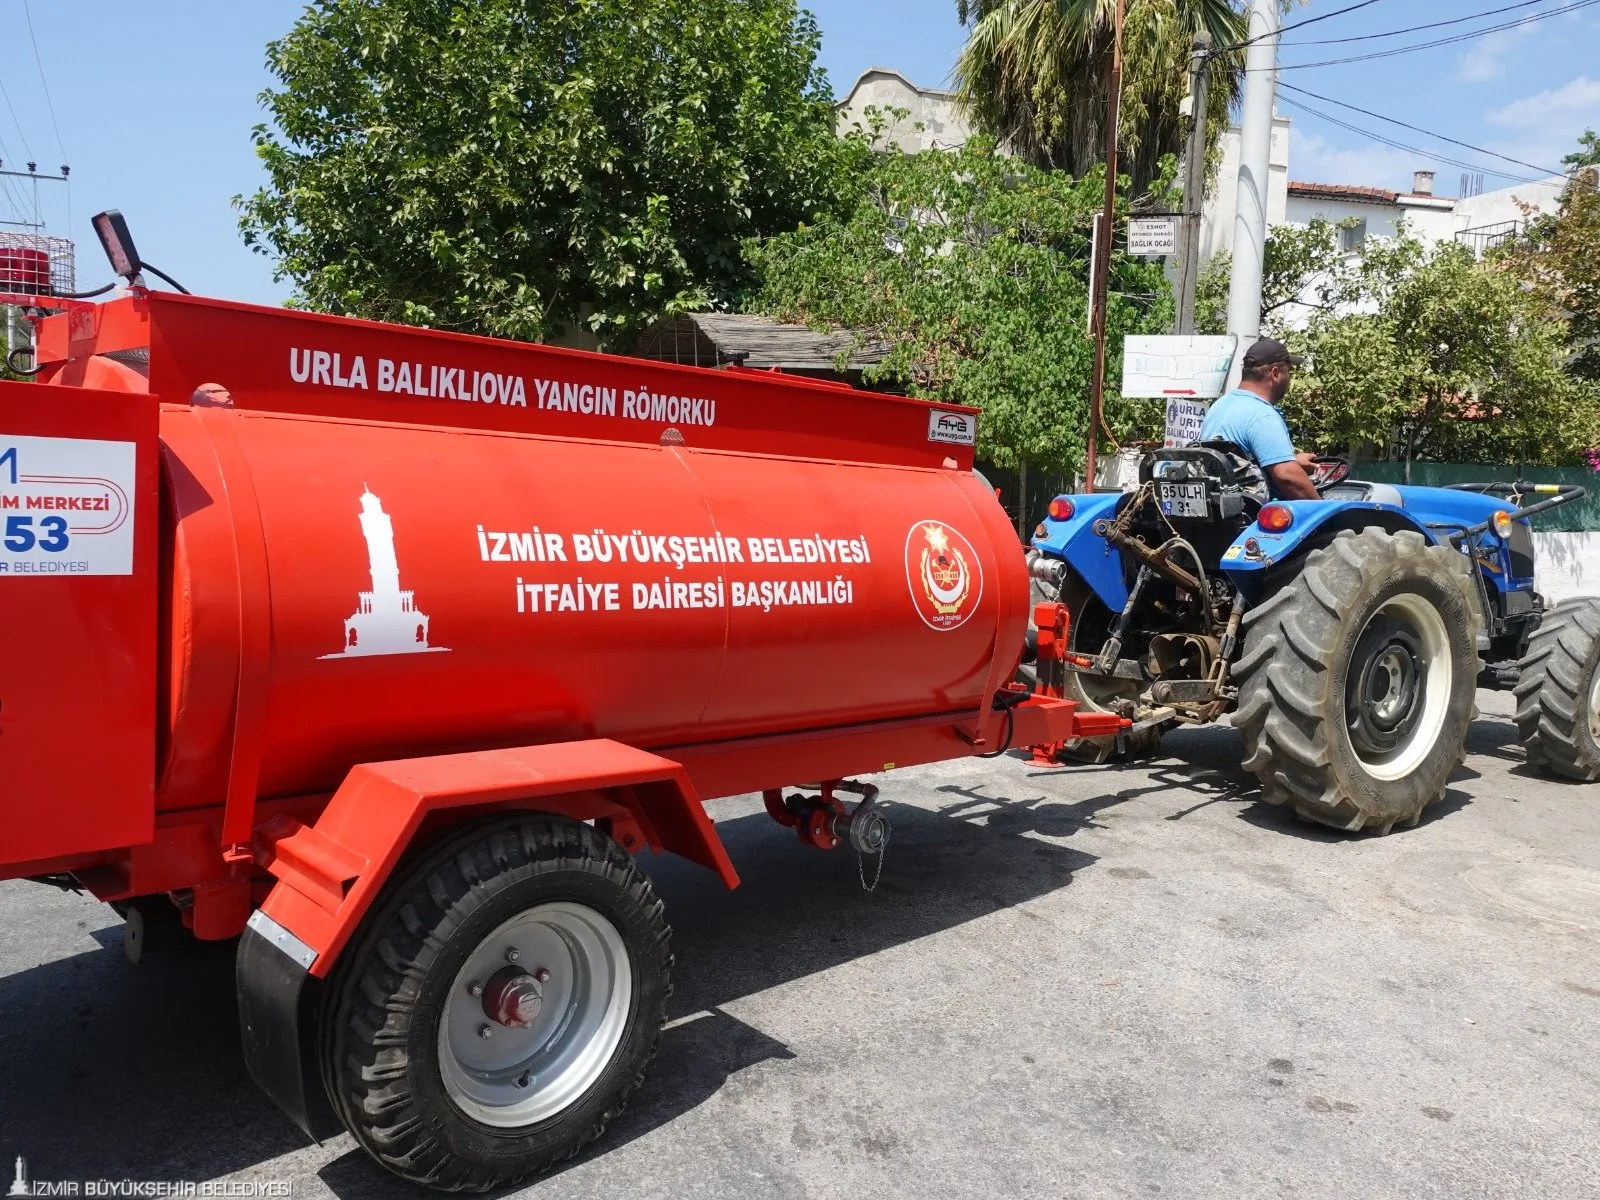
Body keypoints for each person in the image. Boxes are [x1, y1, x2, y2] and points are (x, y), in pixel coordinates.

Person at [1197, 337, 1320, 500]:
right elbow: (1288, 478)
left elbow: (1236, 462)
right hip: (1253, 516)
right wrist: (1323, 511)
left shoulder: (1219, 406)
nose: (1289, 379)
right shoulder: (1262, 414)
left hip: (1223, 511)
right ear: (1275, 373)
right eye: (1288, 372)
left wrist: (1292, 462)